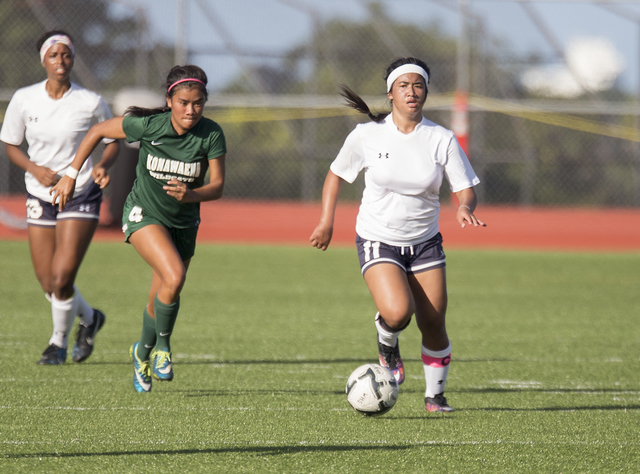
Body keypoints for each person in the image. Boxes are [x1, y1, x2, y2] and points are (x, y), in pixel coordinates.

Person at [310, 57, 486, 413]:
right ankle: (386, 338)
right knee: (398, 312)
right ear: (390, 93)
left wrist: (465, 206)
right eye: (403, 86)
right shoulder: (367, 134)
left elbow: (465, 188)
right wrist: (326, 221)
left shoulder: (441, 138)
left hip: (425, 243)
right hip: (378, 238)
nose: (412, 92)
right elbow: (335, 176)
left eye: (418, 85)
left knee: (433, 320)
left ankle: (435, 397)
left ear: (426, 92)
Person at [51, 65, 226, 393]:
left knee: (162, 295)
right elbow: (97, 131)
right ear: (169, 100)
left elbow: (217, 187)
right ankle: (163, 349)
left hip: (185, 222)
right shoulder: (148, 125)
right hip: (143, 214)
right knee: (174, 276)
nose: (191, 109)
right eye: (184, 102)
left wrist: (192, 195)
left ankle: (141, 354)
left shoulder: (211, 133)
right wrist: (72, 175)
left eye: (198, 103)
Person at [1, 30, 119, 365]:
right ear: (43, 60)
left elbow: (113, 139)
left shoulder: (90, 102)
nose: (61, 61)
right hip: (40, 193)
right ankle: (91, 318)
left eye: (66, 55)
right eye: (53, 55)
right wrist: (34, 168)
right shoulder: (24, 99)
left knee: (63, 277)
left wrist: (102, 166)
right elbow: (11, 144)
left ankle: (57, 344)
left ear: (73, 58)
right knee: (48, 282)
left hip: (81, 192)